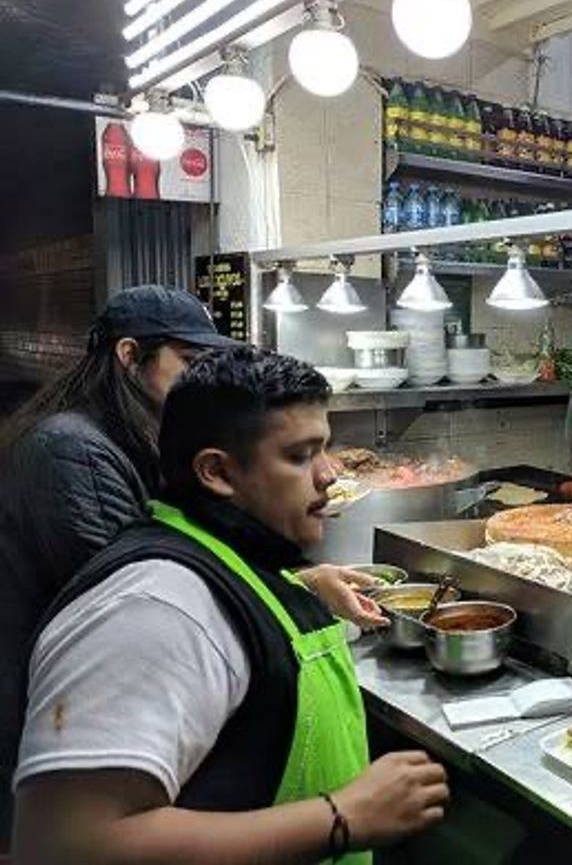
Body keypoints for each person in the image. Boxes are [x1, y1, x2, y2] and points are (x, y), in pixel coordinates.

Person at [12, 347, 447, 864]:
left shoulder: (226, 561)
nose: (329, 475)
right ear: (216, 472)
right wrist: (342, 815)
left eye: (324, 449)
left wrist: (300, 586)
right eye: (300, 455)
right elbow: (63, 847)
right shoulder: (150, 609)